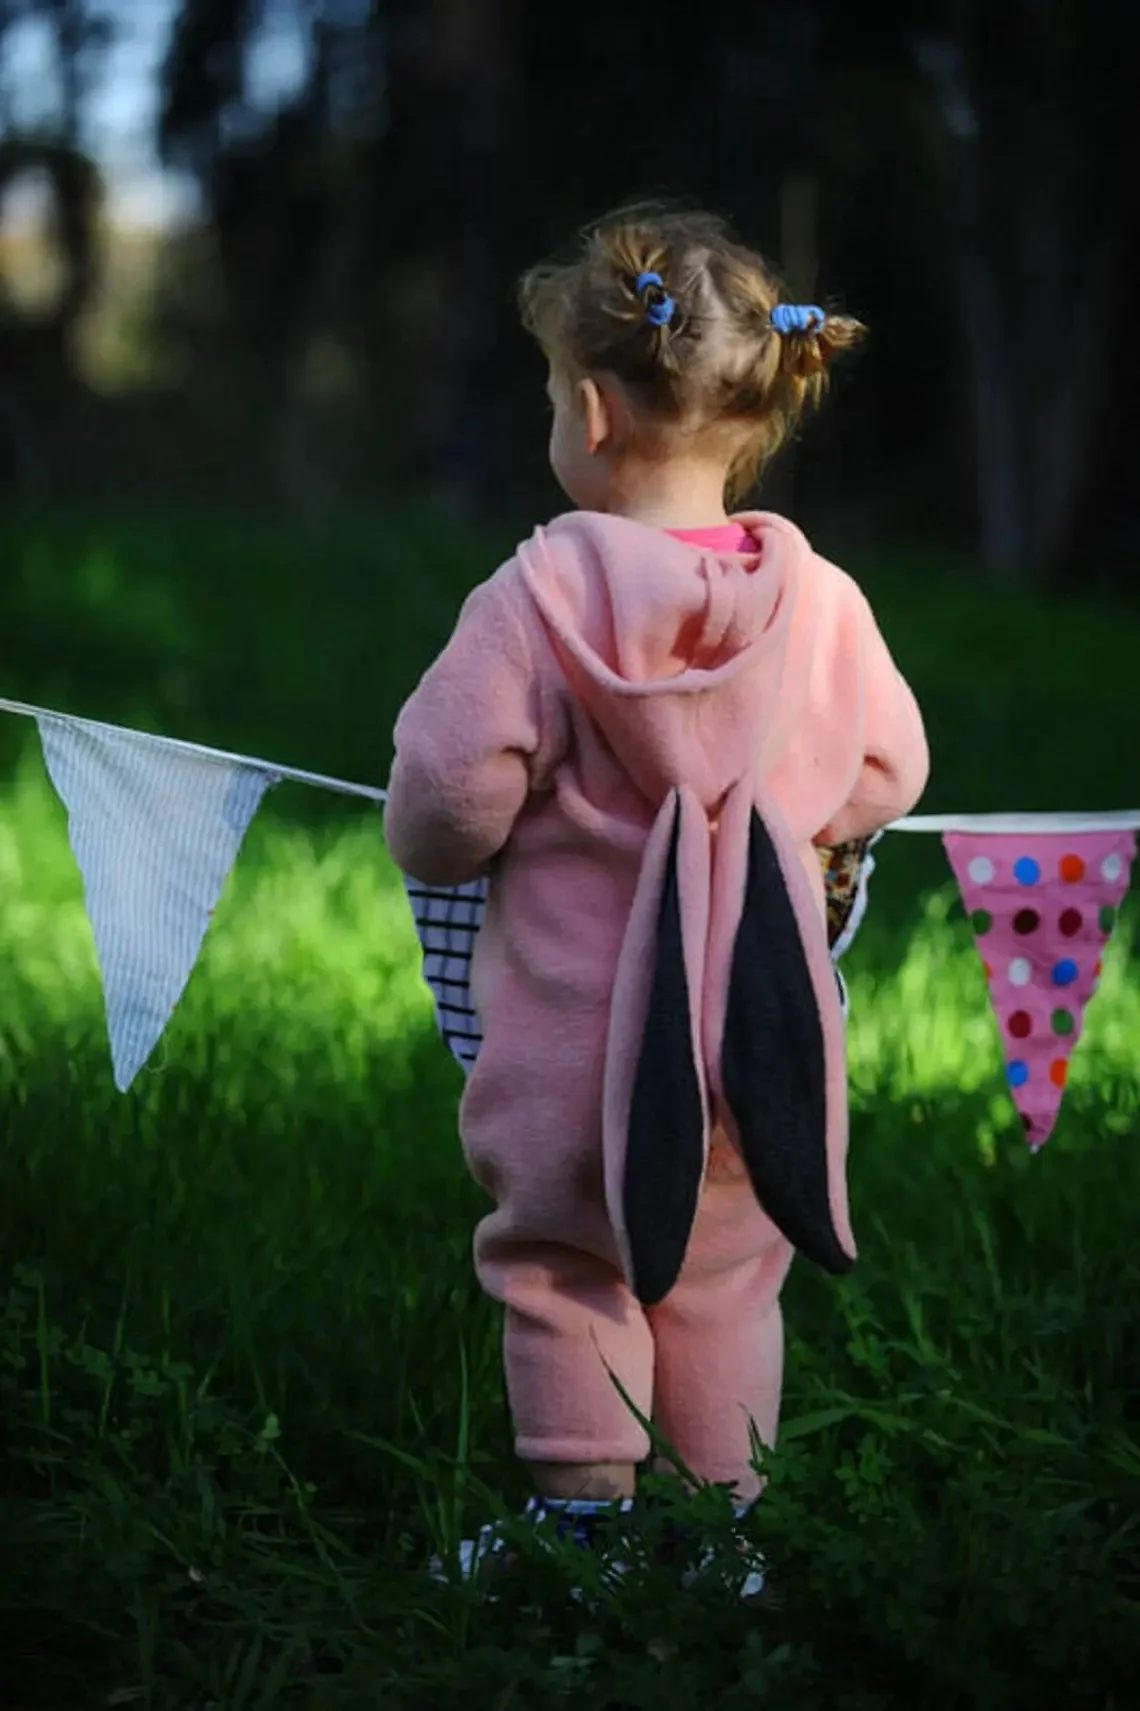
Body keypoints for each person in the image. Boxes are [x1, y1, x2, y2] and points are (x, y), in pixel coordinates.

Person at [384, 203, 929, 1599]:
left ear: (590, 409)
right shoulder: (822, 600)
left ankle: (583, 1528)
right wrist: (798, 813)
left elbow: (443, 803)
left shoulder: (534, 596)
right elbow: (891, 770)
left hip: (580, 1059)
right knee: (729, 1277)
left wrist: (471, 832)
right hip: (758, 1040)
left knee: (568, 1264)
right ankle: (715, 1536)